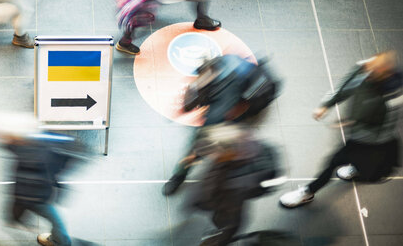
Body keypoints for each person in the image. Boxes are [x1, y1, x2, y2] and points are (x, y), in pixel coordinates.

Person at [280, 51, 402, 208]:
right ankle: (356, 168)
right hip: (357, 129)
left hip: (370, 141)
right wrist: (326, 105)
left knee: (332, 162)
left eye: (376, 69)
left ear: (386, 74)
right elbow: (346, 86)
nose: (369, 69)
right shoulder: (365, 68)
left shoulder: (391, 98)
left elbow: (384, 131)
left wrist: (353, 125)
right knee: (347, 160)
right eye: (372, 64)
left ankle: (308, 192)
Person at [163, 54, 281, 195]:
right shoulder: (221, 65)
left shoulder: (220, 107)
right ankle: (183, 173)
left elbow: (207, 134)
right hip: (234, 105)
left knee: (200, 148)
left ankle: (180, 176)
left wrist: (195, 152)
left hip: (232, 115)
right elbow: (190, 102)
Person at [181, 123, 283, 245]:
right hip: (221, 192)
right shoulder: (232, 142)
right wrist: (195, 156)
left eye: (216, 152)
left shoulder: (242, 177)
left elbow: (241, 196)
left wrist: (204, 201)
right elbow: (208, 144)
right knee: (222, 218)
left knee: (227, 223)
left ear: (230, 152)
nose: (212, 155)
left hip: (229, 199)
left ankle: (218, 240)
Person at [0, 112, 77, 246]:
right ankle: (59, 241)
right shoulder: (37, 146)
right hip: (38, 196)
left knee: (56, 221)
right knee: (57, 221)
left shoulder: (25, 151)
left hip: (34, 198)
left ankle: (61, 242)